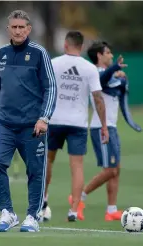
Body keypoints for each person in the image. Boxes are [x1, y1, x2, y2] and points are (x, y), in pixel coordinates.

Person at [0, 10, 57, 233]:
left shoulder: (39, 53)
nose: (18, 31)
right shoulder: (1, 54)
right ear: (8, 29)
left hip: (32, 126)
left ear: (28, 29)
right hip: (4, 123)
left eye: (22, 27)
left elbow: (51, 87)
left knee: (35, 171)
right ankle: (7, 212)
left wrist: (44, 118)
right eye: (14, 27)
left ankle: (33, 216)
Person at [43, 31, 108, 222]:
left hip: (53, 120)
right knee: (77, 166)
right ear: (81, 46)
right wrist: (104, 126)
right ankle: (73, 210)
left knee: (47, 161)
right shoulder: (89, 68)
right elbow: (98, 98)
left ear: (65, 44)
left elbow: (42, 89)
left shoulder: (53, 63)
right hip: (78, 123)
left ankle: (42, 202)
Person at [81, 41, 136, 221]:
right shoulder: (95, 73)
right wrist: (115, 69)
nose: (111, 55)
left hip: (111, 126)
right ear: (99, 55)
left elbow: (116, 85)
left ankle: (111, 210)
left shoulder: (108, 74)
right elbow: (104, 81)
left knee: (116, 169)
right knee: (110, 170)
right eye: (108, 52)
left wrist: (119, 75)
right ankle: (79, 196)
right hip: (100, 127)